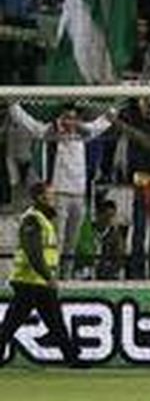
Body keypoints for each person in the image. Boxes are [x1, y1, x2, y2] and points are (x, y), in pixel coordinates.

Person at [8, 102, 115, 277]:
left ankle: (66, 276)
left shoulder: (83, 134)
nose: (70, 122)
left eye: (73, 118)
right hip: (59, 195)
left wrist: (116, 107)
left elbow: (102, 123)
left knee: (71, 244)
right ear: (60, 119)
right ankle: (52, 275)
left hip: (79, 196)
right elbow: (31, 125)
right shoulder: (51, 134)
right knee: (57, 239)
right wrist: (14, 107)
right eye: (66, 118)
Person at [0, 183, 84, 366]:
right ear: (40, 198)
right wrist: (48, 277)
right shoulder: (32, 220)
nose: (54, 200)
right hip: (30, 281)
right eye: (50, 196)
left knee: (51, 322)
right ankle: (72, 358)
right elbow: (34, 253)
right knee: (17, 323)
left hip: (36, 282)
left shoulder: (42, 219)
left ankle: (72, 358)